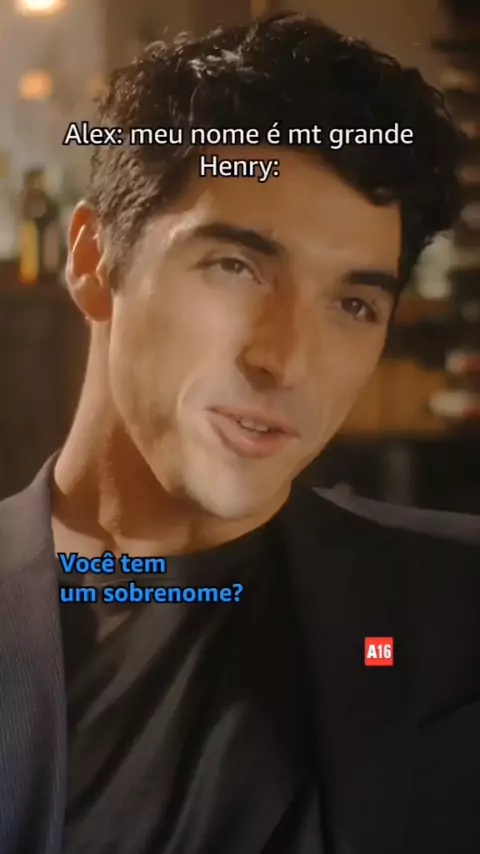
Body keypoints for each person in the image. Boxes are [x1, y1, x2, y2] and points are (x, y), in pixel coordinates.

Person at [1, 11, 479, 854]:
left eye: (353, 304)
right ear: (93, 258)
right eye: (237, 266)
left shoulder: (455, 609)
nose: (286, 361)